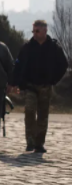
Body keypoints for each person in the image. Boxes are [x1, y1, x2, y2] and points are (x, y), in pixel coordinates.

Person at [11, 20, 68, 153]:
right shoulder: (27, 47)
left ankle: (39, 143)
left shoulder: (54, 47)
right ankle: (30, 140)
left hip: (46, 86)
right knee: (30, 111)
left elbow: (63, 65)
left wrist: (54, 80)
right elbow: (18, 66)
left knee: (43, 115)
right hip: (30, 85)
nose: (35, 34)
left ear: (45, 31)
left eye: (37, 31)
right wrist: (15, 83)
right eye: (33, 31)